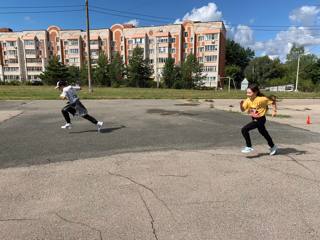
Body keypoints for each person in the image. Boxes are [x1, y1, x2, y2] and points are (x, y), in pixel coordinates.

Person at [240, 84, 278, 155]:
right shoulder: (248, 100)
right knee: (264, 133)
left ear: (255, 92)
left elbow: (273, 101)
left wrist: (274, 111)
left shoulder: (261, 99)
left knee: (244, 129)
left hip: (260, 119)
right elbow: (242, 110)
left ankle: (249, 146)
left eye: (249, 93)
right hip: (254, 119)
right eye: (247, 92)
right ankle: (273, 146)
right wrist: (241, 105)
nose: (247, 94)